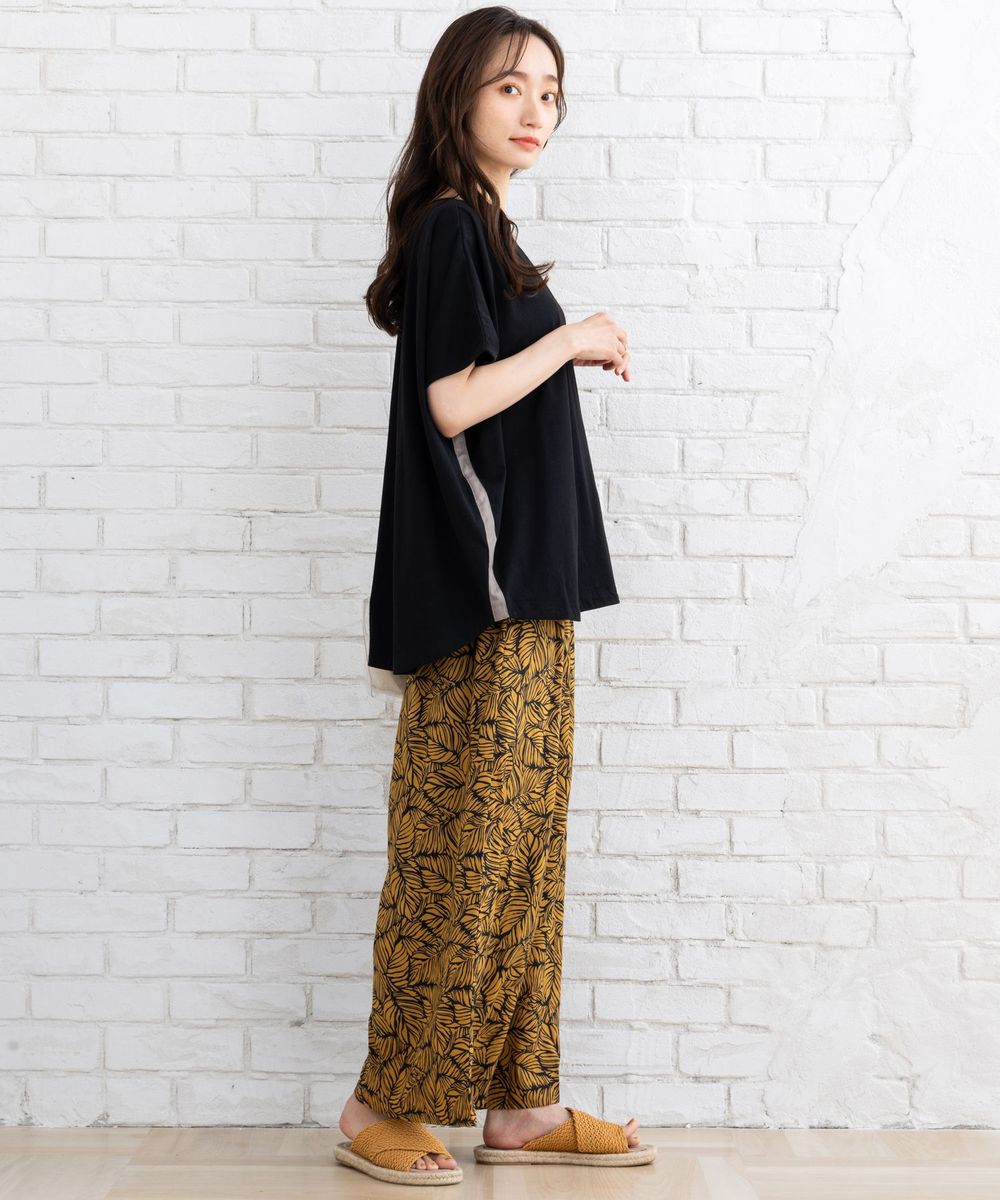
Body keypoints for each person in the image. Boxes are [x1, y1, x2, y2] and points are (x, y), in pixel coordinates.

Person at [336, 6, 656, 1186]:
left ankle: (522, 1103)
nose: (536, 111)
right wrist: (572, 340)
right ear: (458, 94)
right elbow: (451, 401)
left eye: (551, 92)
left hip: (533, 596)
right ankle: (378, 1104)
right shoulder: (448, 229)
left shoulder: (489, 235)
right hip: (482, 605)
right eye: (512, 86)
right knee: (460, 853)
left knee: (521, 855)